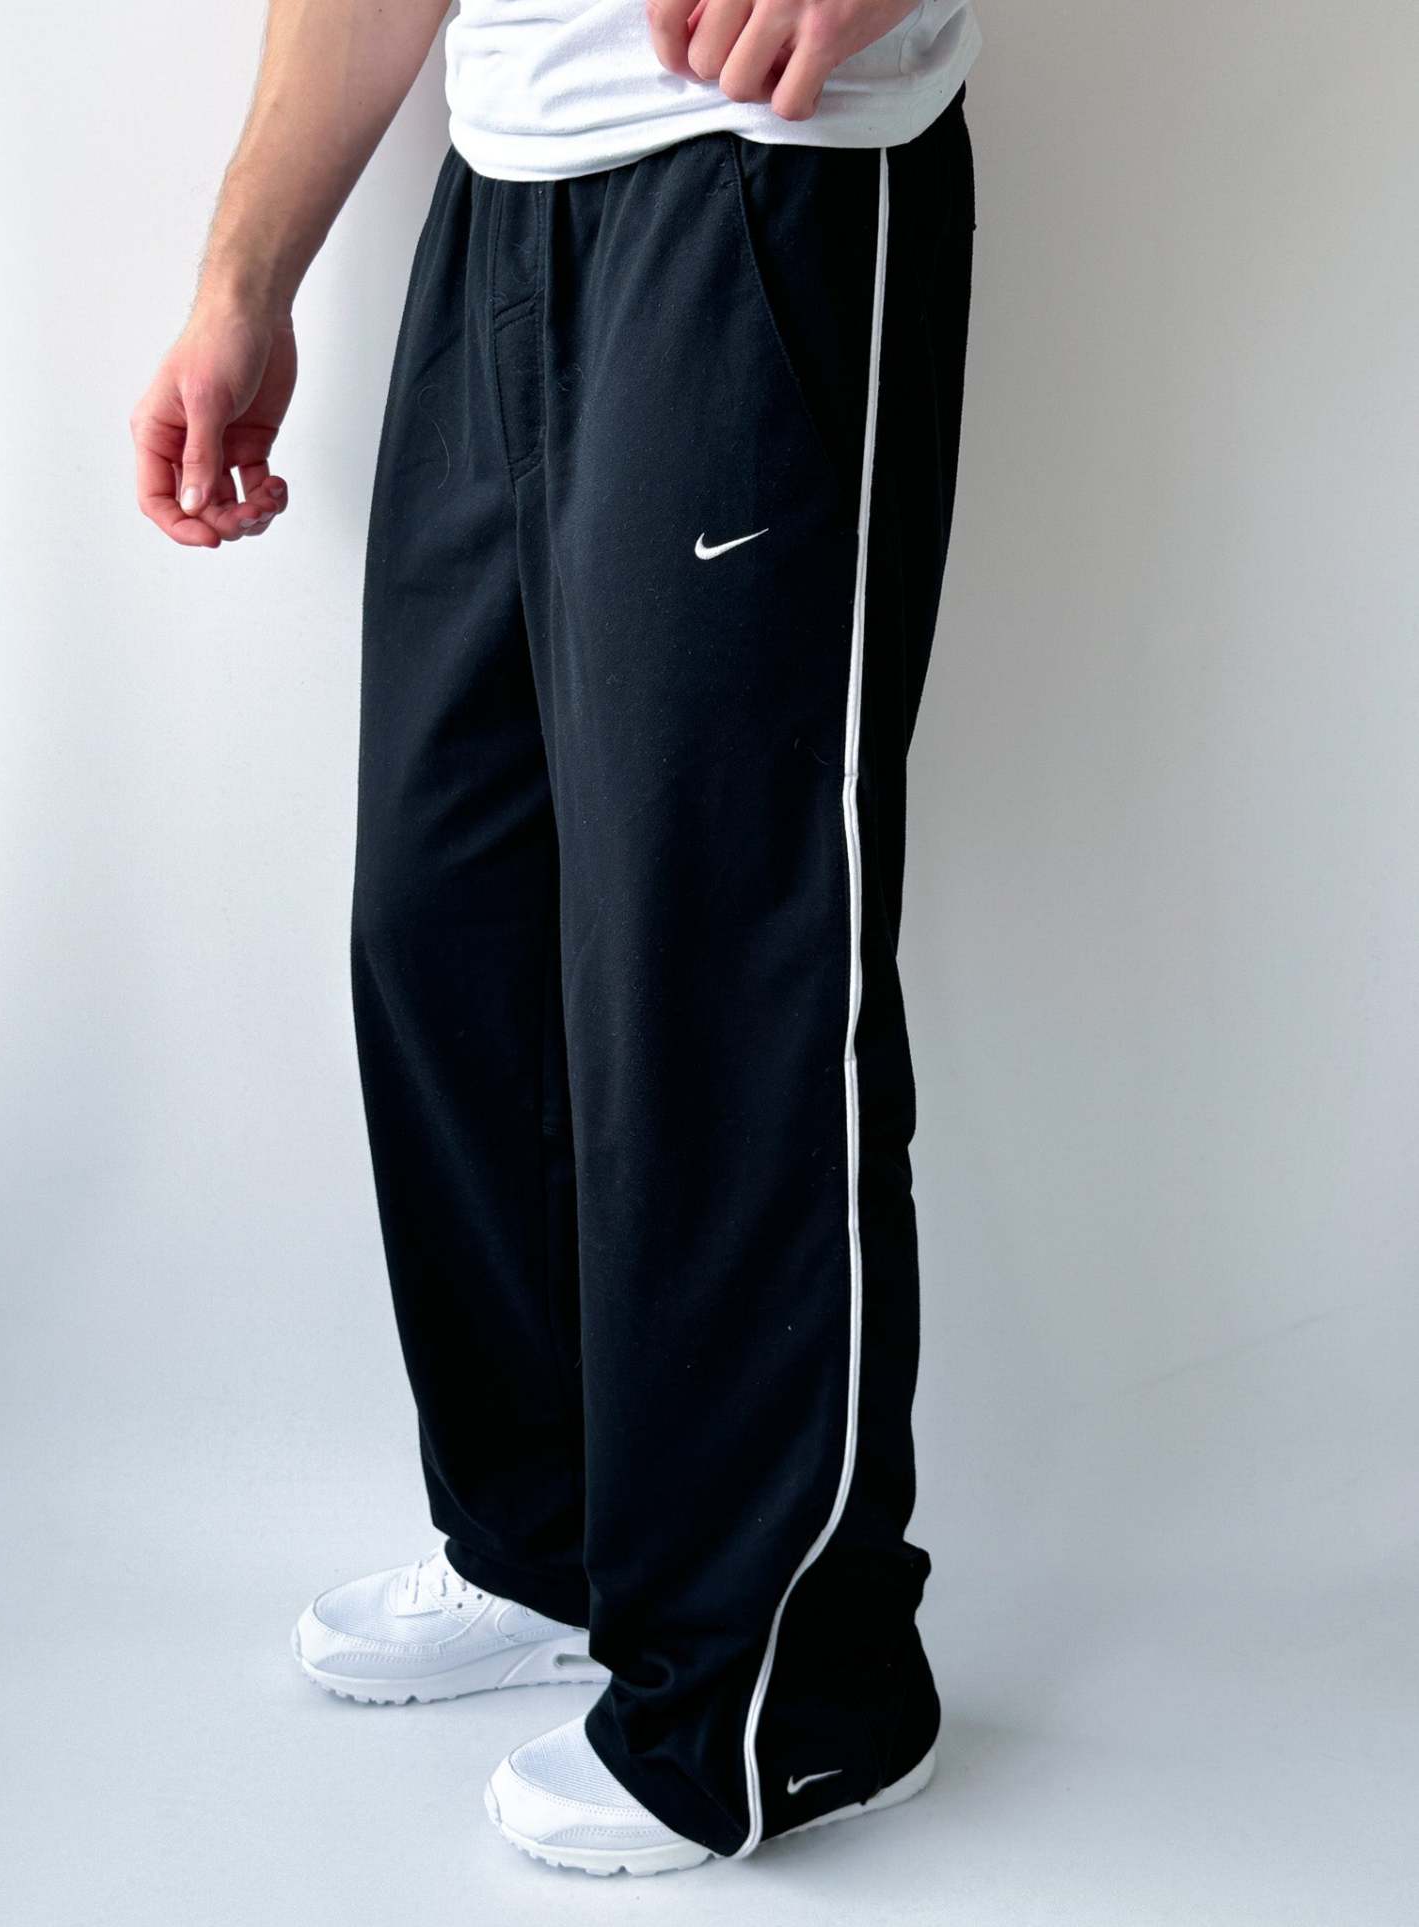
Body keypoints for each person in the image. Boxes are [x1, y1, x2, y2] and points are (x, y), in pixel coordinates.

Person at [131, 0, 980, 1878]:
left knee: (719, 971)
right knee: (454, 938)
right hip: (498, 202)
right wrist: (244, 278)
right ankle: (551, 1543)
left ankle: (801, 1692)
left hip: (762, 180)